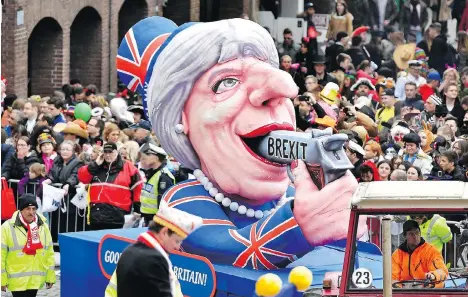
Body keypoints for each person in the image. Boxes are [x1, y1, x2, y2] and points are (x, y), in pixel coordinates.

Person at [105, 204, 203, 297]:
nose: (177, 247)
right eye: (177, 241)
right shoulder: (155, 260)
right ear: (164, 232)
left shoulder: (128, 251)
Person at [78, 142, 143, 230]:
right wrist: (95, 164)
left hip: (118, 216)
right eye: (106, 152)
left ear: (117, 152)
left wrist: (137, 209)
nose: (108, 155)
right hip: (96, 215)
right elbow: (82, 177)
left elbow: (138, 188)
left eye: (111, 152)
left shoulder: (128, 167)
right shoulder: (96, 166)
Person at [1, 194, 55, 297]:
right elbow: (1, 255)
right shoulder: (6, 227)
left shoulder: (43, 225)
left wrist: (50, 276)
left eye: (34, 209)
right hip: (17, 280)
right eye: (28, 209)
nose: (32, 212)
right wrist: (2, 279)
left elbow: (49, 252)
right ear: (21, 210)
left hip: (35, 280)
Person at [392, 220, 448, 288]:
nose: (415, 236)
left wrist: (433, 275)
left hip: (429, 288)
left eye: (417, 232)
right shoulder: (397, 255)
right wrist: (397, 290)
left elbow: (442, 271)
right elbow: (393, 278)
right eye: (411, 234)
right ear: (404, 236)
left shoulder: (431, 251)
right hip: (406, 290)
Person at [139, 142, 176, 226]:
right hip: (148, 218)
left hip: (157, 220)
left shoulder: (163, 176)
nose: (144, 158)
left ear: (156, 158)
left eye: (148, 155)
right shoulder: (151, 173)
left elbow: (163, 203)